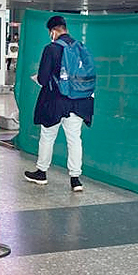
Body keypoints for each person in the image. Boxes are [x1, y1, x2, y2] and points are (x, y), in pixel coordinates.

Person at [23, 15, 94, 192]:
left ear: (53, 31)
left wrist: (39, 80)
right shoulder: (81, 47)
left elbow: (43, 78)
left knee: (47, 136)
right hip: (79, 102)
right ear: (65, 28)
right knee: (74, 140)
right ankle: (76, 179)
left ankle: (41, 173)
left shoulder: (51, 49)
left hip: (55, 101)